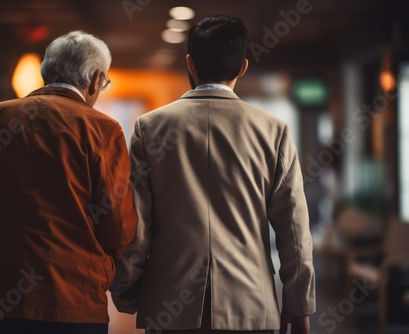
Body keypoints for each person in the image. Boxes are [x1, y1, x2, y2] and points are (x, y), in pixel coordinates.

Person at [111, 15, 315, 334]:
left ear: (190, 64)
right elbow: (293, 229)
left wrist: (125, 284)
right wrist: (298, 303)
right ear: (242, 67)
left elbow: (138, 221)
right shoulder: (273, 131)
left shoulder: (150, 128)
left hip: (169, 306)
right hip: (249, 305)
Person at [0, 31, 137, 334]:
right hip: (75, 300)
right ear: (96, 78)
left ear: (45, 71)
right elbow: (117, 223)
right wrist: (108, 272)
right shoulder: (102, 128)